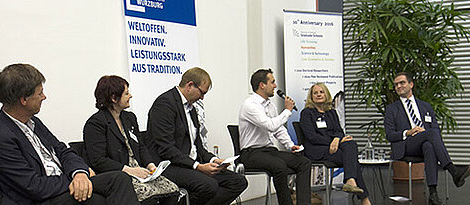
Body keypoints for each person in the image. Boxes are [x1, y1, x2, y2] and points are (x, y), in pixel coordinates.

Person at [0, 64, 140, 205]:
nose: (44, 97)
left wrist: (79, 173)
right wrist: (73, 180)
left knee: (119, 179)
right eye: (40, 93)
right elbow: (32, 186)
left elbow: (63, 151)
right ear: (24, 100)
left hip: (63, 184)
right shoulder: (0, 137)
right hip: (41, 198)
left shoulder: (33, 122)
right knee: (97, 200)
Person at [145, 67, 248, 205]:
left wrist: (213, 160)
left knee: (238, 182)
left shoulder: (191, 109)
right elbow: (166, 148)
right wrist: (197, 166)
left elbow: (197, 146)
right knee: (208, 185)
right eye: (202, 92)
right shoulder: (164, 104)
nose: (202, 97)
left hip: (189, 164)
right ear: (190, 85)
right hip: (169, 165)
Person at [83, 75, 180, 205]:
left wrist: (151, 166)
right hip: (120, 174)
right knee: (149, 198)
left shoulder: (129, 118)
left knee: (173, 191)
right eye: (126, 93)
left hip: (140, 171)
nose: (130, 96)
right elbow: (99, 161)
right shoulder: (95, 124)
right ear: (113, 98)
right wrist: (130, 170)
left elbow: (141, 147)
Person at [384, 72, 470, 205]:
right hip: (406, 145)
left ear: (411, 84)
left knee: (429, 145)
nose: (399, 86)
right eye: (396, 85)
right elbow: (389, 135)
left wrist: (424, 133)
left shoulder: (426, 106)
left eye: (402, 83)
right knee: (431, 134)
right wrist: (408, 132)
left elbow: (435, 128)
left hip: (424, 143)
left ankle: (433, 194)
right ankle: (453, 170)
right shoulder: (391, 109)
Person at [238, 68, 311, 205]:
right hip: (251, 153)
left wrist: (290, 145)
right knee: (279, 166)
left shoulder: (270, 106)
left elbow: (278, 130)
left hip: (269, 151)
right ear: (262, 85)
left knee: (304, 162)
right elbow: (269, 126)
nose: (275, 86)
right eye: (272, 82)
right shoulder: (250, 105)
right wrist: (287, 111)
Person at [300, 83, 371, 205]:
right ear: (311, 97)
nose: (318, 95)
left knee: (351, 144)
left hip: (334, 146)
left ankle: (350, 180)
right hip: (316, 149)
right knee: (352, 160)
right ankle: (364, 199)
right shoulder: (307, 113)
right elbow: (312, 137)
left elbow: (339, 131)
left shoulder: (331, 112)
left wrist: (337, 139)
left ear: (326, 94)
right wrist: (332, 142)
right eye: (315, 93)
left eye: (321, 92)